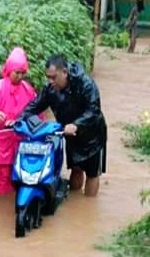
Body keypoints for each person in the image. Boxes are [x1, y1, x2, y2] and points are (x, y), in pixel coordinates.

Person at [19, 55, 107, 197]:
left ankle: (88, 207)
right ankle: (74, 203)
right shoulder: (50, 89)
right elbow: (34, 106)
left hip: (92, 135)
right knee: (75, 167)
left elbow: (94, 110)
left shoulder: (86, 84)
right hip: (69, 133)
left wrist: (76, 124)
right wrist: (19, 119)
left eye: (54, 77)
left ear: (65, 72)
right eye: (48, 77)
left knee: (92, 173)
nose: (50, 81)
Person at [0, 47, 41, 195]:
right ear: (9, 70)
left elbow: (36, 111)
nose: (19, 76)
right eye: (16, 72)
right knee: (2, 179)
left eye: (22, 73)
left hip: (21, 140)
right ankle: (2, 207)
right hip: (1, 142)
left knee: (20, 178)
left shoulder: (27, 89)